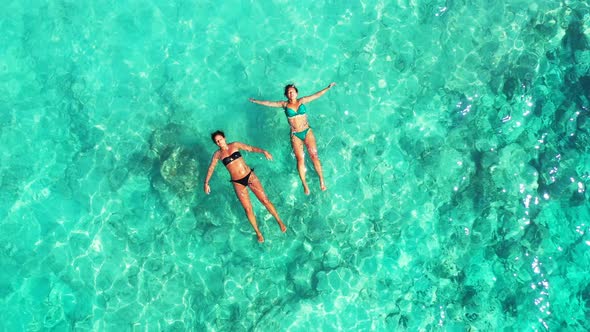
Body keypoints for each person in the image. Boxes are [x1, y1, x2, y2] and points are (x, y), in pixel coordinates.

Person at [249, 82, 336, 194]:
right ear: (286, 95)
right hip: (296, 135)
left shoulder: (302, 101)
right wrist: (256, 101)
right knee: (300, 159)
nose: (291, 94)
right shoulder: (284, 105)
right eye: (289, 92)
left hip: (307, 131)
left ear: (296, 93)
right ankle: (305, 185)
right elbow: (269, 103)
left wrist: (327, 88)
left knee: (314, 155)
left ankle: (322, 180)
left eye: (293, 92)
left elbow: (315, 95)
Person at [204, 130, 286, 243]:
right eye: (217, 141)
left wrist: (264, 151)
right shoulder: (217, 155)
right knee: (248, 209)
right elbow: (211, 168)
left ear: (225, 138)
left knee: (265, 200)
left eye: (220, 139)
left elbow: (250, 148)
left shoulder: (235, 145)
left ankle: (279, 221)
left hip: (249, 176)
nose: (219, 142)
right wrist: (206, 183)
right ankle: (258, 232)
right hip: (237, 182)